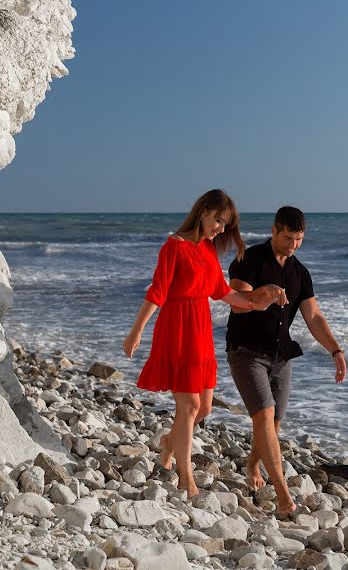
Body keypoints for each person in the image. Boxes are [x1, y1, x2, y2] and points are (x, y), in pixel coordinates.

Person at [123, 189, 287, 498]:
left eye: (226, 225)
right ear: (203, 212)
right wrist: (136, 331)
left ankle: (171, 442)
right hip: (177, 328)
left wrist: (258, 302)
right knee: (189, 405)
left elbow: (222, 291)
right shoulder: (174, 247)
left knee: (204, 408)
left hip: (200, 330)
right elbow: (157, 292)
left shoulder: (208, 250)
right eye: (219, 221)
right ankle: (186, 478)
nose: (221, 229)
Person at [226, 206, 347, 516]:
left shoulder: (300, 273)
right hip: (246, 351)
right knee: (264, 416)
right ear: (274, 230)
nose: (293, 245)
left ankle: (253, 463)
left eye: (300, 239)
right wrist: (264, 294)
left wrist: (336, 350)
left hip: (281, 355)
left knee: (274, 422)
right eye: (288, 238)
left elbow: (314, 316)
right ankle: (282, 496)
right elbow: (240, 303)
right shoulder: (247, 259)